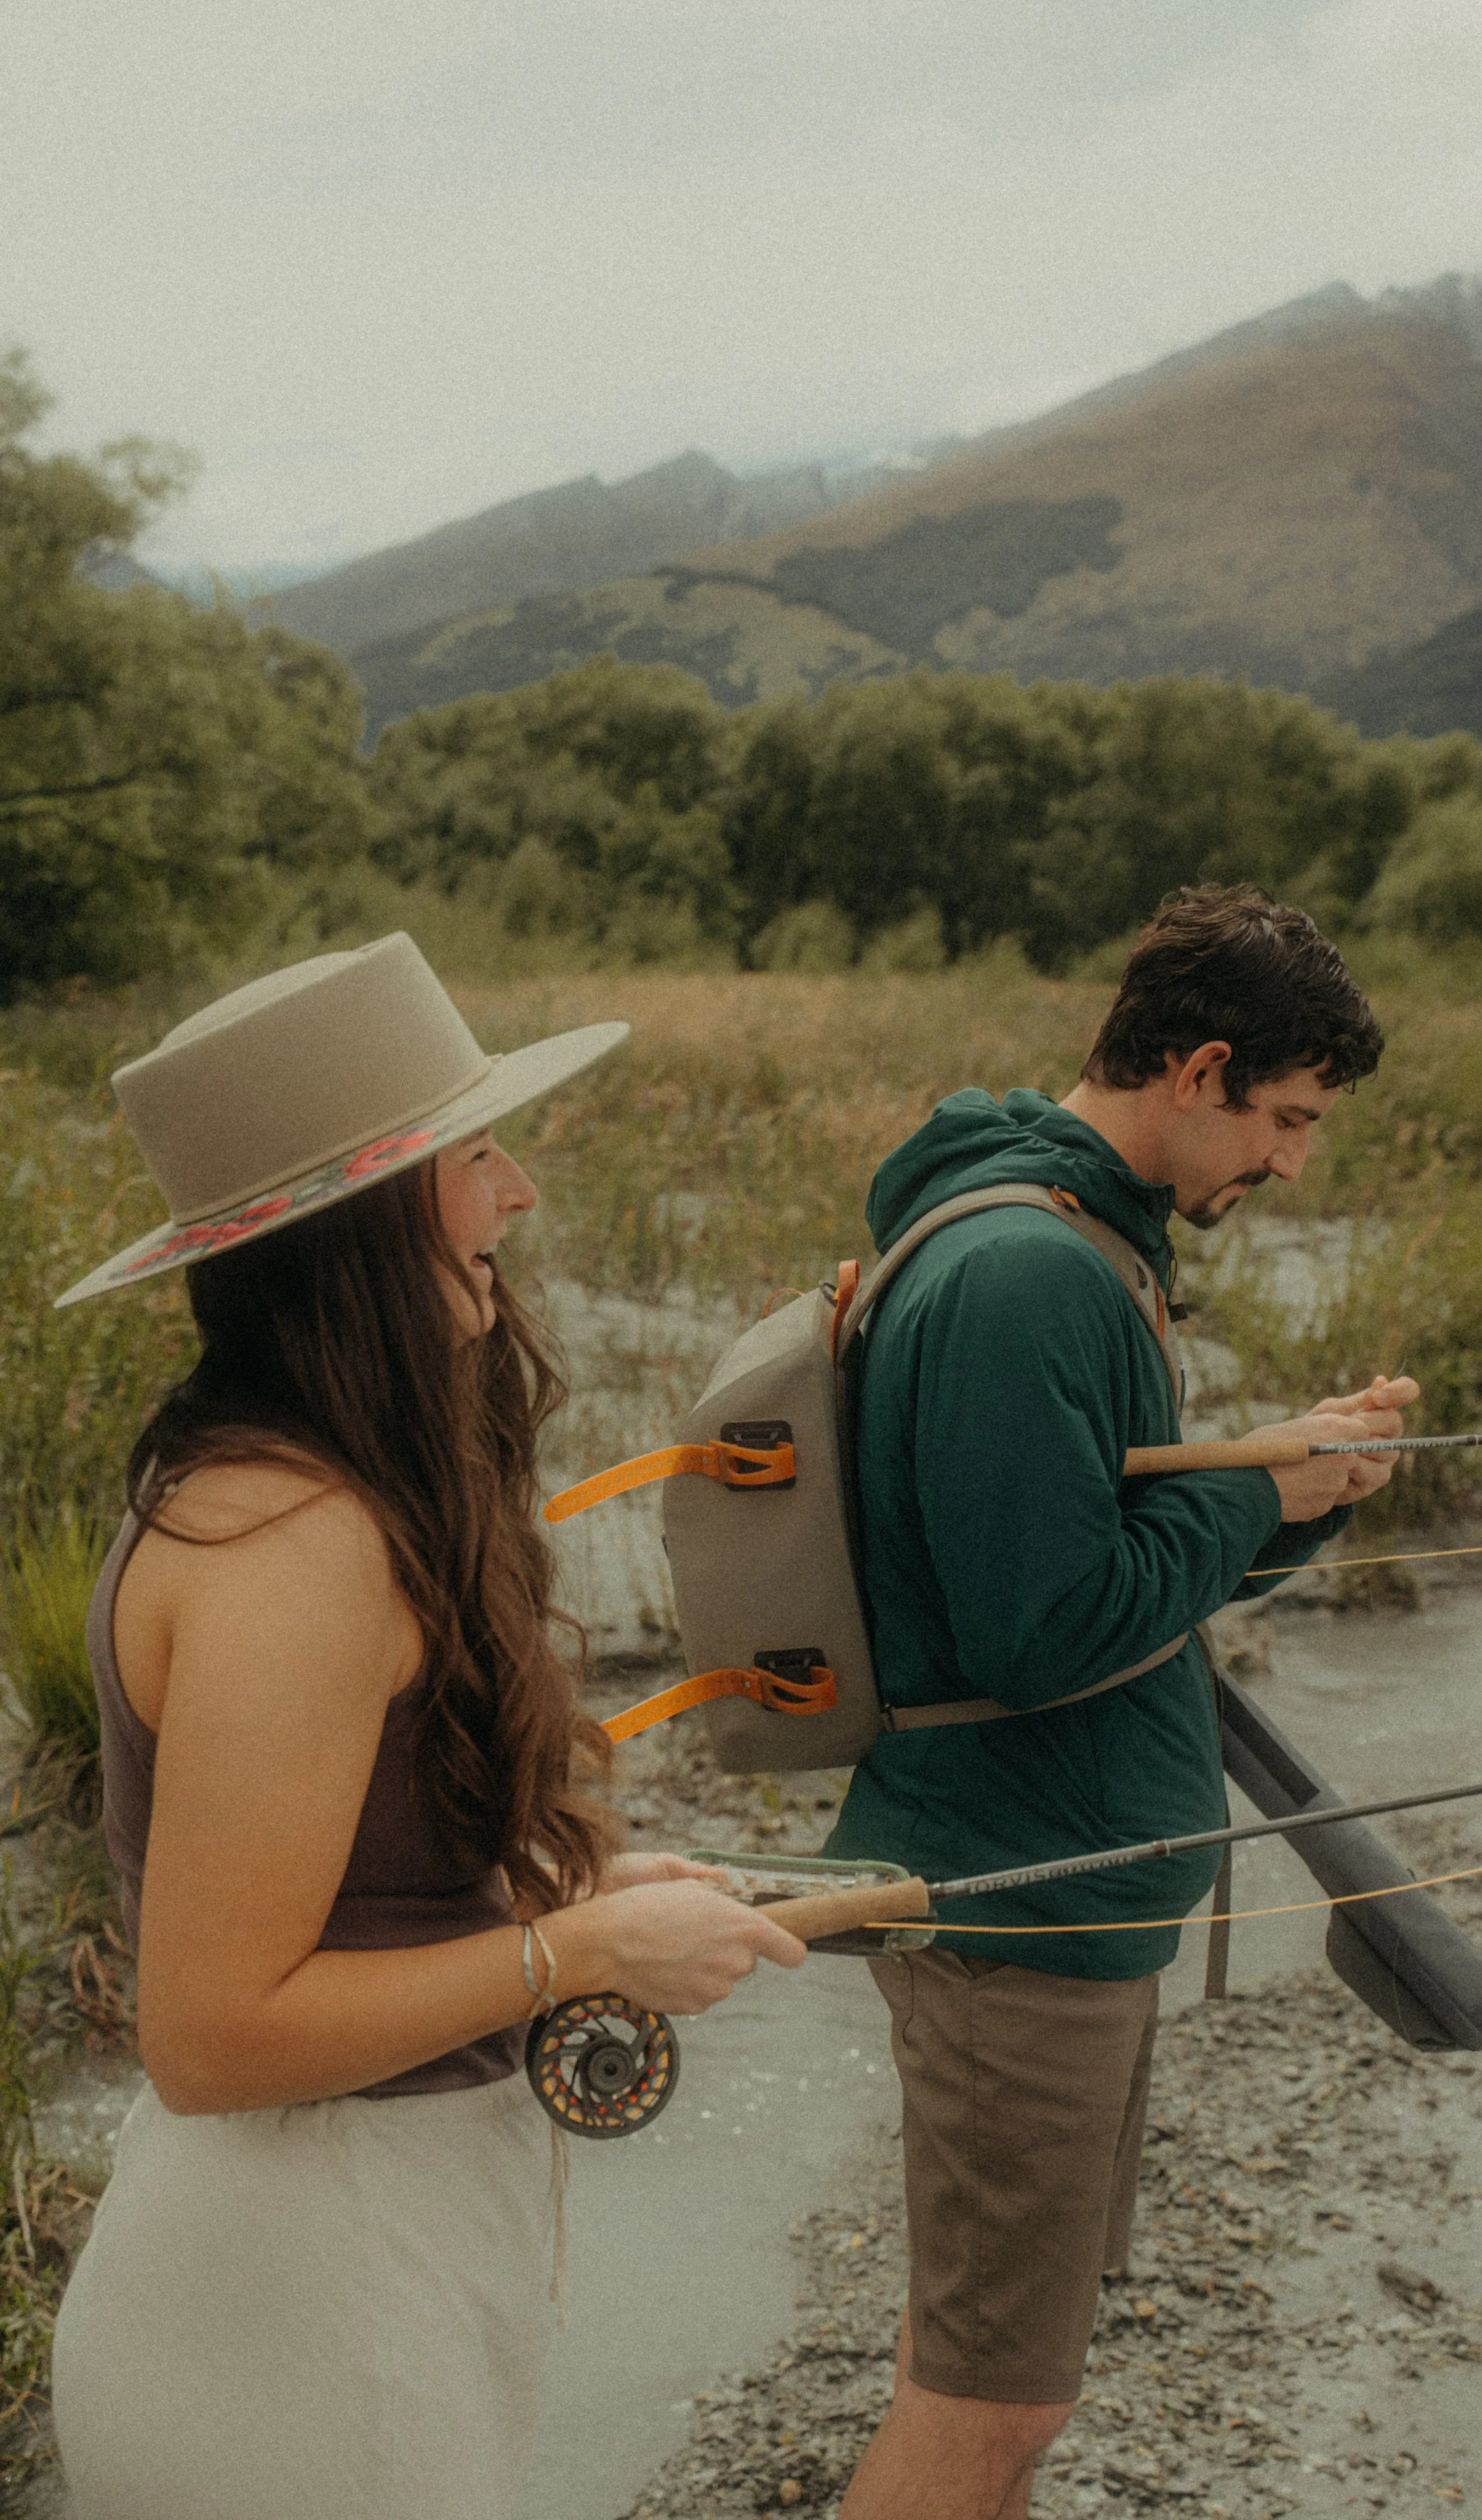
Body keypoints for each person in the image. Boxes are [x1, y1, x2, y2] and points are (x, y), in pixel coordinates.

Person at [48, 933, 805, 2520]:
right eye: (476, 1156)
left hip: (340, 2270)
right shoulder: (289, 1544)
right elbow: (209, 2037)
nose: (518, 1193)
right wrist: (577, 1953)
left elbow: (340, 1898)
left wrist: (555, 1895)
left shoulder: (295, 1489)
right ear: (363, 1219)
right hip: (314, 2308)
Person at [827, 884, 1419, 2520]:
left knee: (989, 2387)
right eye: (1284, 1118)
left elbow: (1104, 1573)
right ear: (1198, 1068)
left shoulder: (1076, 1241)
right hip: (1015, 1904)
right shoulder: (1025, 1271)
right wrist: (1251, 1491)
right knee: (988, 2410)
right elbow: (1040, 1630)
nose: (1289, 1163)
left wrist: (1293, 1493)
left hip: (1060, 1892)